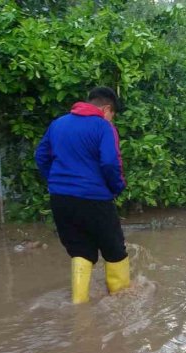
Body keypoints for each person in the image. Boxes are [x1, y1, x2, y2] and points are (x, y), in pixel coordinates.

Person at [34, 87, 130, 304]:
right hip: (94, 198)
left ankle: (79, 305)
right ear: (106, 108)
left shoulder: (58, 123)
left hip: (61, 199)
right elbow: (109, 162)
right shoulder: (103, 126)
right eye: (112, 114)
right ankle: (123, 302)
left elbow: (40, 156)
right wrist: (116, 188)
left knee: (80, 249)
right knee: (114, 249)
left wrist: (57, 182)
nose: (111, 118)